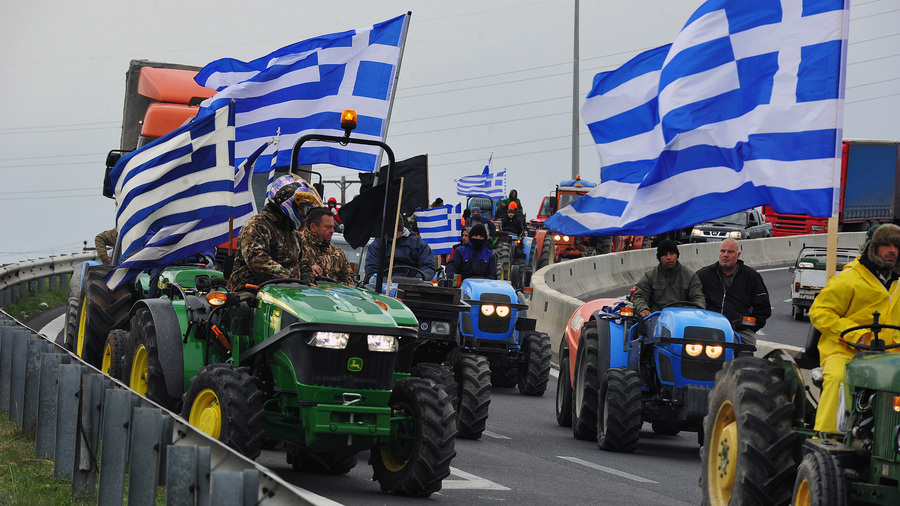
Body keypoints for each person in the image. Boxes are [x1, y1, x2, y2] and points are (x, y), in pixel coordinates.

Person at [809, 223, 900, 433]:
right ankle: (824, 440)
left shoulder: (898, 284)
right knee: (838, 380)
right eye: (885, 244)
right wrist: (858, 334)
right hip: (845, 353)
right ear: (872, 248)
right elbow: (819, 312)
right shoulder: (849, 279)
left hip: (891, 358)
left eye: (896, 245)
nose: (892, 250)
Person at [227, 175, 321, 291]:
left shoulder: (292, 232)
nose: (303, 213)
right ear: (286, 202)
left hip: (287, 292)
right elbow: (257, 260)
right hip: (253, 291)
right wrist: (290, 280)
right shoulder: (256, 225)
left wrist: (308, 280)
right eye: (301, 208)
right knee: (244, 308)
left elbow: (302, 261)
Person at [696, 238, 771, 346]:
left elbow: (763, 308)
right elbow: (691, 299)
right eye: (723, 251)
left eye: (730, 252)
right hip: (708, 328)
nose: (725, 255)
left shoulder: (751, 276)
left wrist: (746, 325)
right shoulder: (704, 274)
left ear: (738, 254)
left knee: (746, 355)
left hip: (740, 331)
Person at [632, 239, 705, 318]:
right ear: (659, 258)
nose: (669, 257)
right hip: (657, 319)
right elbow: (639, 296)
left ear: (677, 255)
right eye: (665, 254)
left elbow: (698, 298)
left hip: (682, 319)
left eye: (672, 254)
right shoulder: (649, 276)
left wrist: (696, 312)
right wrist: (644, 310)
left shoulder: (690, 276)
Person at [364, 216, 437, 281]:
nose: (393, 234)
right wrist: (377, 281)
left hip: (411, 287)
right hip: (383, 285)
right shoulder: (378, 245)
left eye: (395, 231)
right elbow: (371, 268)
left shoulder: (418, 244)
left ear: (401, 230)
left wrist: (419, 279)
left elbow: (428, 265)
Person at [300, 207, 354, 285]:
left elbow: (348, 279)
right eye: (328, 227)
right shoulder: (297, 245)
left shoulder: (337, 252)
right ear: (313, 227)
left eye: (333, 227)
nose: (332, 231)